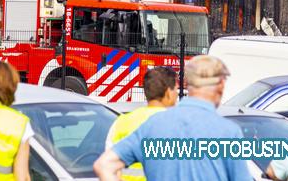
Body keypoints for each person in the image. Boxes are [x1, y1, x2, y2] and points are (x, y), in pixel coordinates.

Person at [94, 55, 251, 181]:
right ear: (221, 85)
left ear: (187, 83)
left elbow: (105, 165)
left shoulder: (153, 125)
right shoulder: (228, 132)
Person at [105, 66, 179, 181]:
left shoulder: (122, 122)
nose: (177, 94)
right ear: (169, 92)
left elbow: (108, 166)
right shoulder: (178, 124)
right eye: (176, 89)